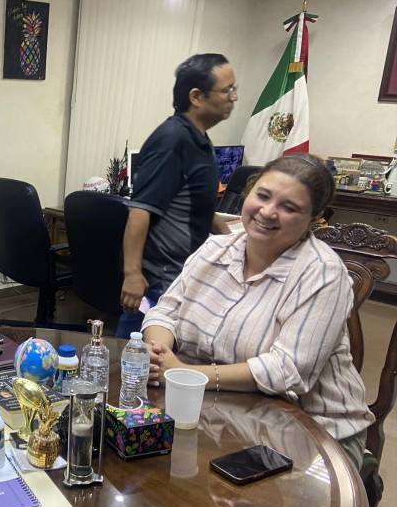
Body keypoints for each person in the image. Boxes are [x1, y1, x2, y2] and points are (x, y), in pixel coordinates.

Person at [142, 155, 374, 469]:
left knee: (245, 498)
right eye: (263, 196)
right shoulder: (215, 249)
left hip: (314, 428)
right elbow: (166, 311)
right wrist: (159, 353)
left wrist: (184, 374)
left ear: (315, 218)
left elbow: (286, 370)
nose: (267, 212)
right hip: (220, 411)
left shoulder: (323, 274)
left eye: (289, 207)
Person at [118, 53, 238, 338]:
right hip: (160, 278)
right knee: (137, 353)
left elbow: (198, 205)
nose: (234, 98)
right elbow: (140, 211)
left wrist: (232, 243)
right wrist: (132, 274)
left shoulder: (198, 138)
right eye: (226, 90)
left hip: (184, 272)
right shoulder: (172, 139)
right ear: (196, 97)